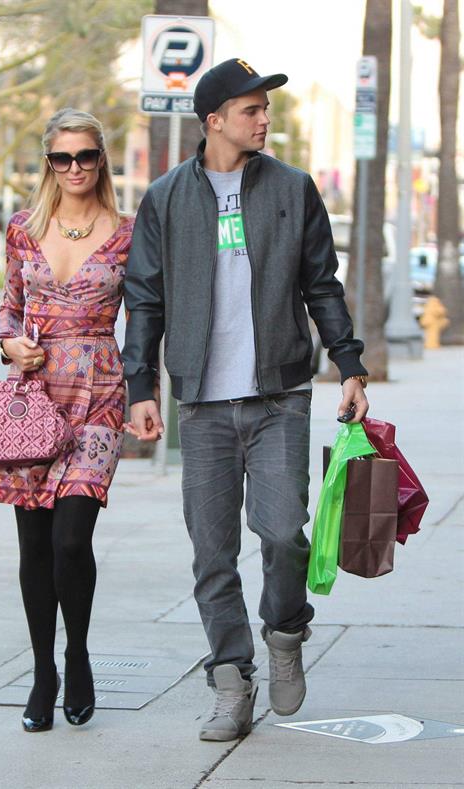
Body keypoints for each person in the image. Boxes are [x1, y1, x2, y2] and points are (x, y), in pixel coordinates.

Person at [122, 59, 369, 742]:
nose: (264, 120)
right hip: (200, 403)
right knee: (211, 552)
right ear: (214, 120)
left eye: (266, 109)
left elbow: (323, 283)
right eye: (251, 109)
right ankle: (232, 679)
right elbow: (144, 297)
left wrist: (349, 365)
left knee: (283, 531)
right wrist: (139, 386)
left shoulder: (292, 188)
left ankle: (285, 633)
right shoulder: (166, 198)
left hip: (280, 394)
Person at [0, 108, 133, 732]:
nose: (75, 168)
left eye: (86, 156)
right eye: (62, 158)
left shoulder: (128, 231)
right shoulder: (23, 229)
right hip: (32, 395)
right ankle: (44, 670)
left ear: (102, 159)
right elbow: (9, 309)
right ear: (49, 165)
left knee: (73, 538)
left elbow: (147, 310)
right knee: (34, 544)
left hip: (97, 390)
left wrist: (150, 389)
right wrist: (11, 343)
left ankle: (77, 653)